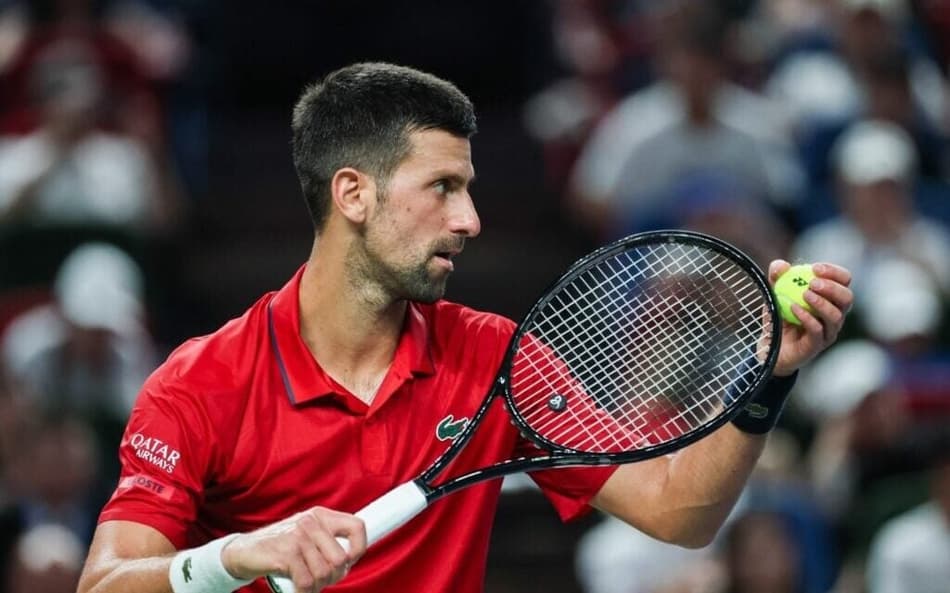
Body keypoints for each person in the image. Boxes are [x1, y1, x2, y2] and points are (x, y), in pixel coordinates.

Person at [75, 62, 853, 593]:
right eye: (442, 187)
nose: (471, 219)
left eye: (470, 188)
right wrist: (234, 555)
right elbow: (106, 582)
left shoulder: (494, 357)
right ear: (353, 194)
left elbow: (678, 513)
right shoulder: (202, 383)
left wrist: (768, 375)